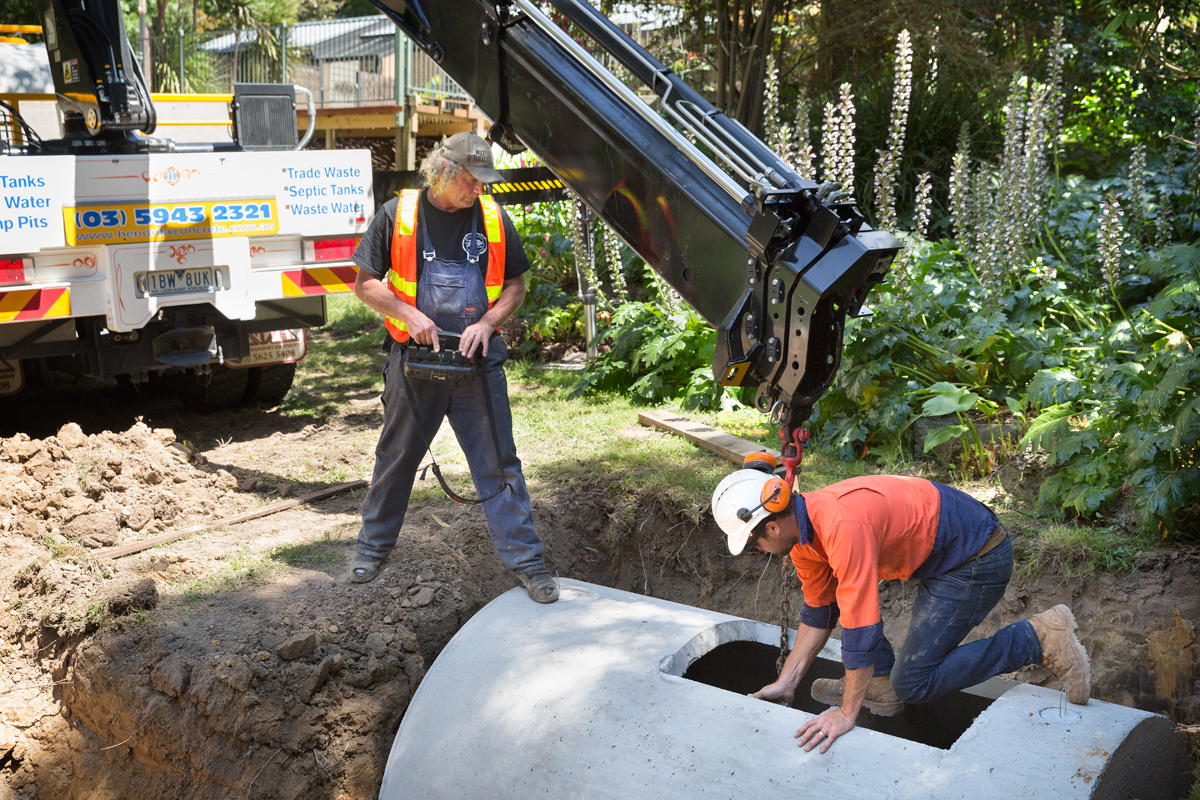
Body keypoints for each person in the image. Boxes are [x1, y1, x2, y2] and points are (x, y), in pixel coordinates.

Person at [711, 459, 1090, 754]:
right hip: (939, 556)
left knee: (914, 683)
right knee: (840, 601)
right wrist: (785, 682)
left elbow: (863, 627)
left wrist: (846, 713)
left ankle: (1038, 638)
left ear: (772, 528)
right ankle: (878, 683)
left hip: (975, 556)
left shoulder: (841, 524)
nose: (757, 550)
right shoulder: (805, 538)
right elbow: (819, 612)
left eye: (753, 543)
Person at [346, 131, 558, 604]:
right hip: (414, 365)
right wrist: (408, 314)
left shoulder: (493, 219)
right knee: (396, 458)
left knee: (498, 464)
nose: (477, 190)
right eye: (470, 180)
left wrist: (487, 322)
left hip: (476, 366)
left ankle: (528, 564)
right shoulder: (397, 216)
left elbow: (515, 289)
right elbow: (364, 286)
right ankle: (371, 548)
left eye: (483, 182)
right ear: (443, 171)